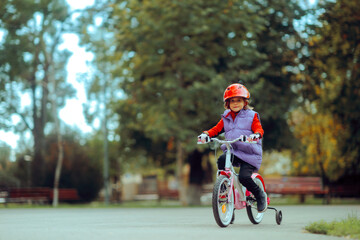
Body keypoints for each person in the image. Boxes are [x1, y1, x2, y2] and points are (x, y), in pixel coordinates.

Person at [198, 83, 267, 212]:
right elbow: (216, 129)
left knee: (244, 177)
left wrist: (256, 135)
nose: (235, 104)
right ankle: (224, 186)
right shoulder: (226, 117)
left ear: (245, 102)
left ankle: (259, 195)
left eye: (239, 100)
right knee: (221, 160)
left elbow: (259, 129)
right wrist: (206, 134)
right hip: (233, 151)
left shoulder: (252, 116)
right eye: (232, 101)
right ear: (227, 103)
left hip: (249, 154)